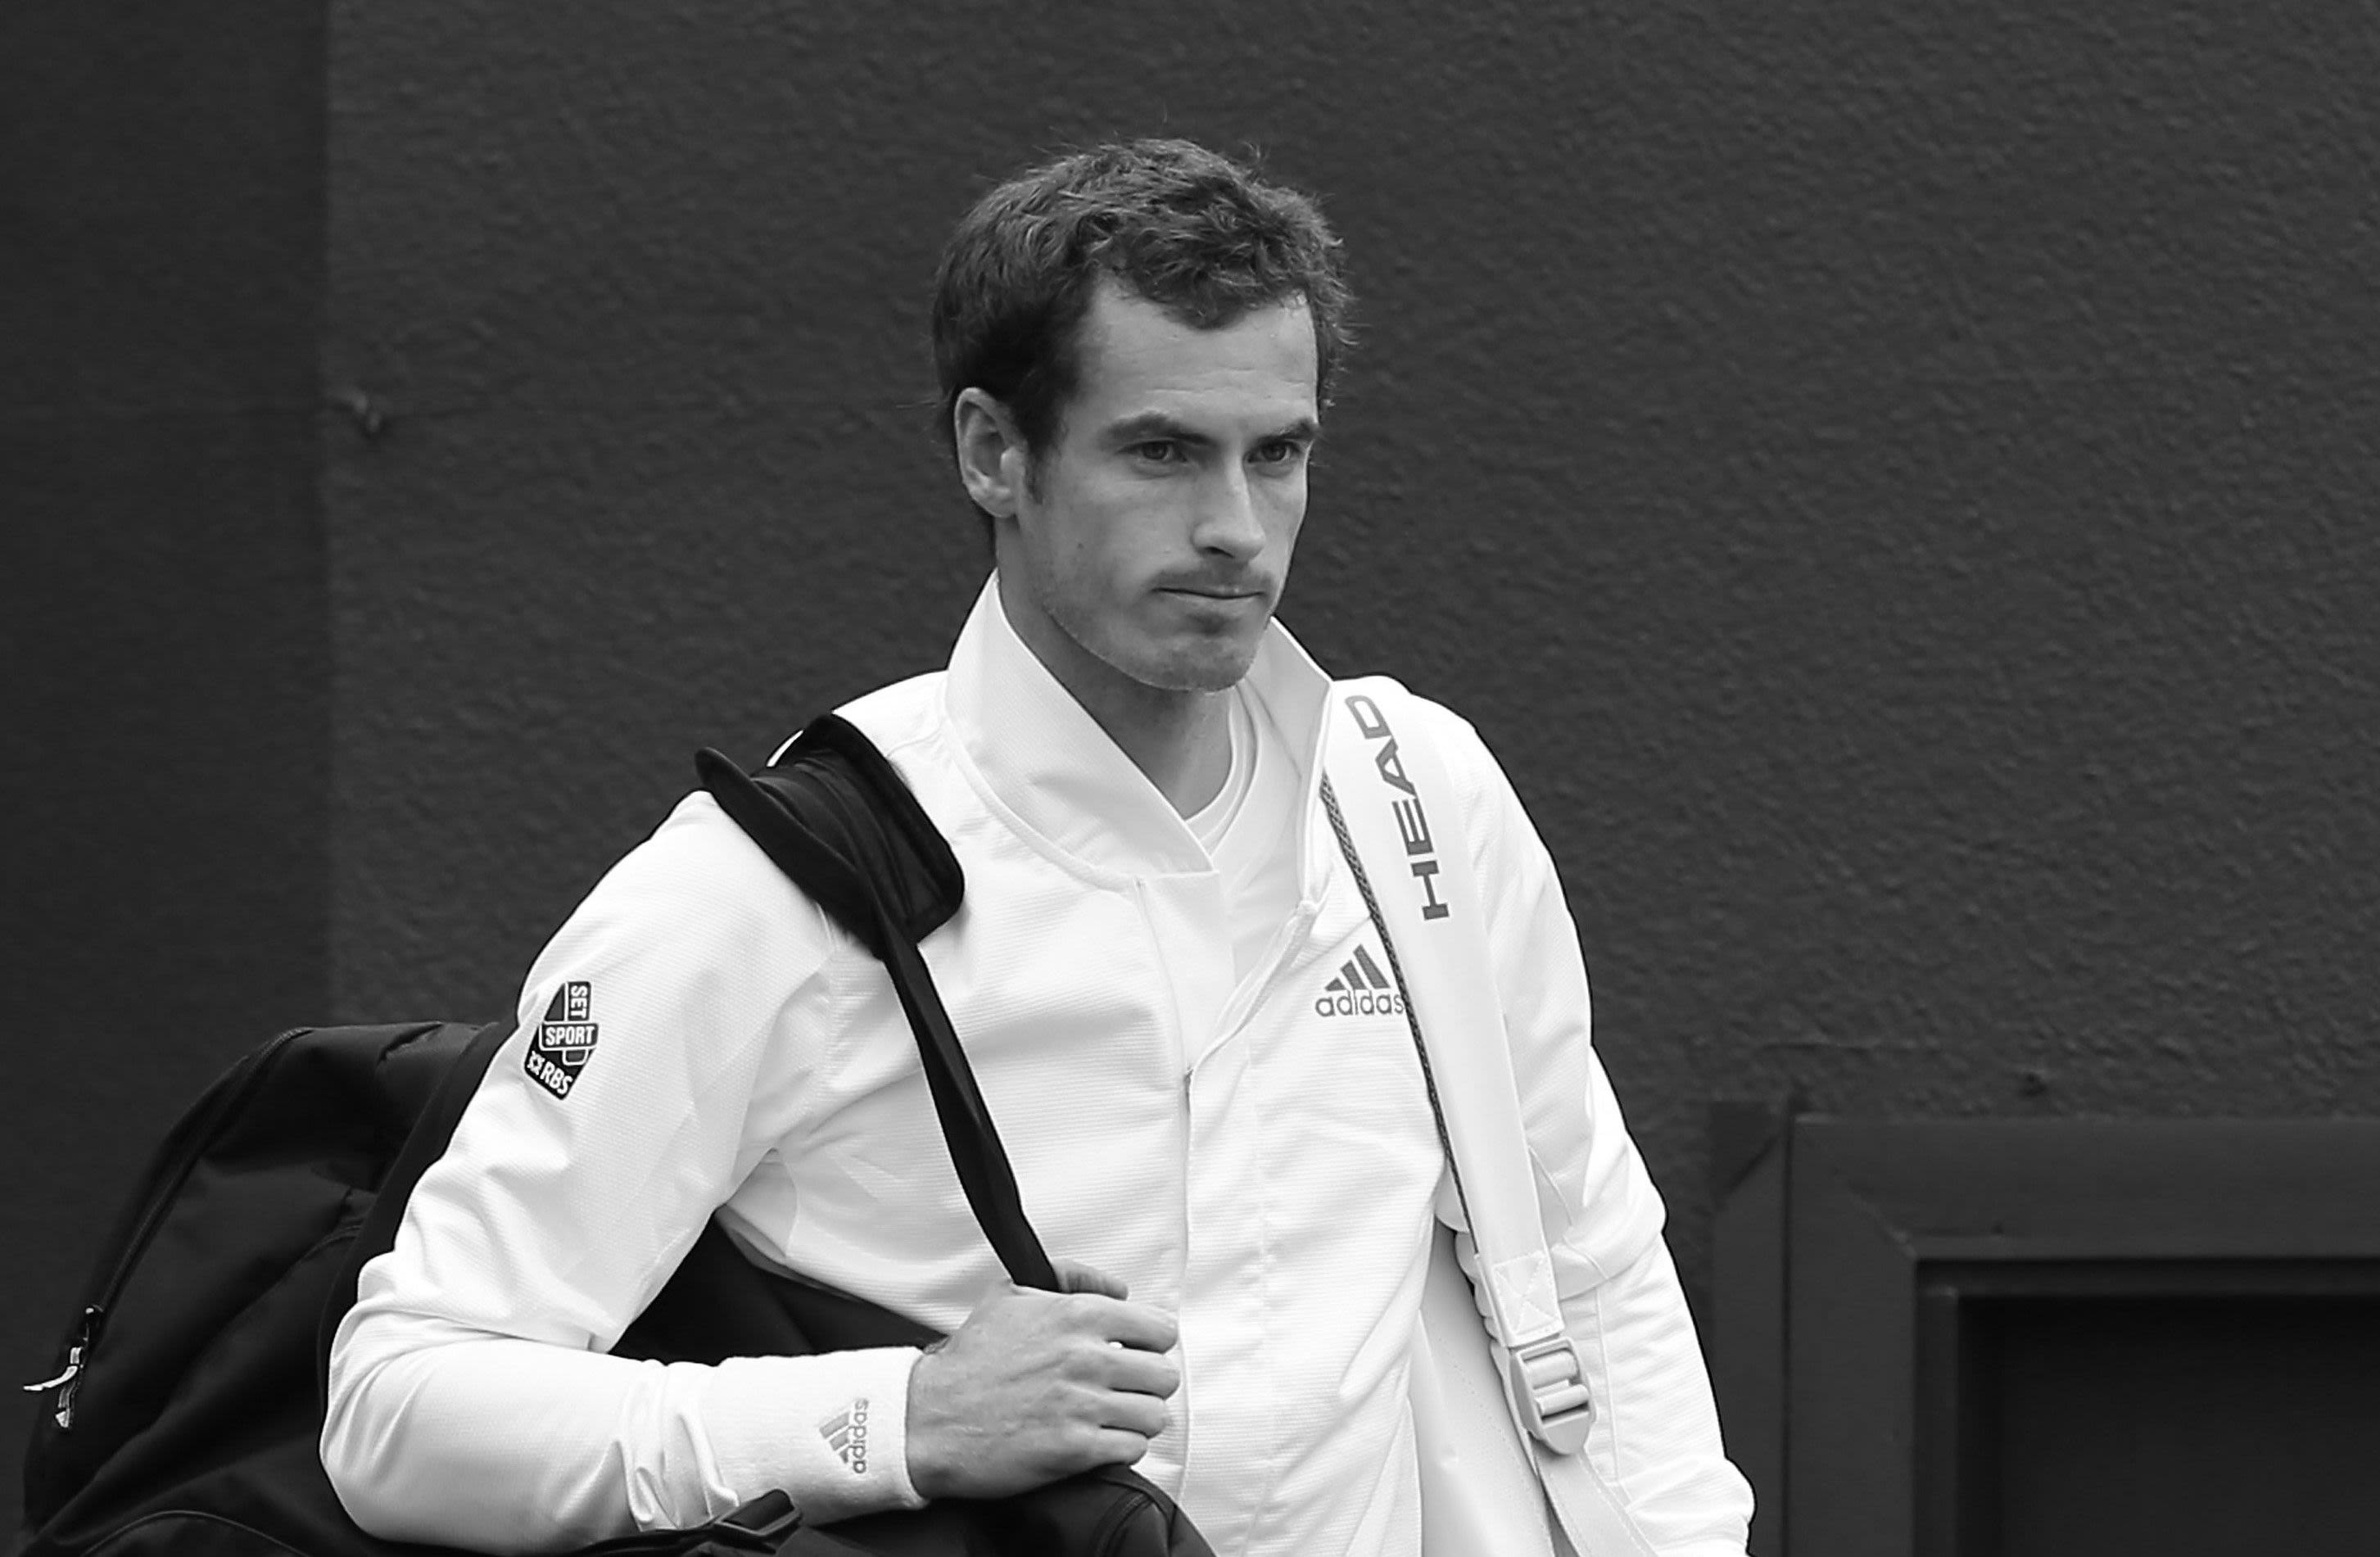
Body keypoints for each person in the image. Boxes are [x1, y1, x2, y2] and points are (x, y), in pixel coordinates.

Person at [322, 137, 1753, 1556]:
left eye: (1278, 453)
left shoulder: (1415, 801)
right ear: (993, 453)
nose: (1235, 528)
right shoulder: (771, 885)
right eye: (1161, 451)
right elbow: (403, 1403)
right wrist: (893, 1419)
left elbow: (1588, 1276)